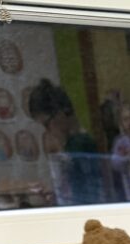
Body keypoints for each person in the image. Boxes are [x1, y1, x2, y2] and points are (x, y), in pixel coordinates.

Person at [28, 78, 104, 206]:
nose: (47, 130)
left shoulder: (79, 144)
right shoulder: (71, 144)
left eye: (46, 124)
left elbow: (88, 194)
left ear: (60, 114)